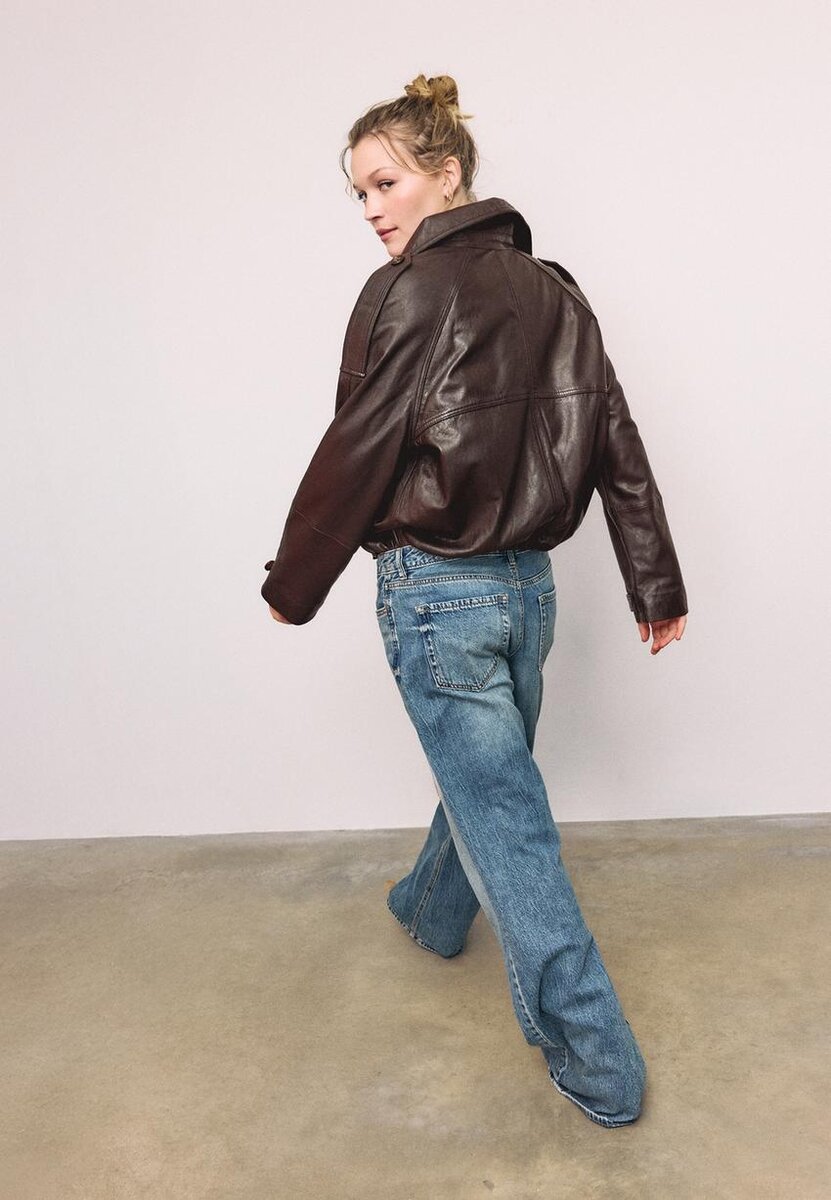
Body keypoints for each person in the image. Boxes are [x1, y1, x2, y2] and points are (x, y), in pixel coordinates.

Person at [261, 73, 688, 1128]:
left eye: (386, 183)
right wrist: (652, 579)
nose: (372, 210)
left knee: (508, 821)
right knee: (492, 789)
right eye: (359, 193)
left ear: (447, 174)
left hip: (438, 598)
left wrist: (294, 582)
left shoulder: (406, 290)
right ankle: (430, 908)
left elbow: (356, 448)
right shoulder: (556, 289)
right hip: (529, 594)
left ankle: (598, 1061)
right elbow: (615, 438)